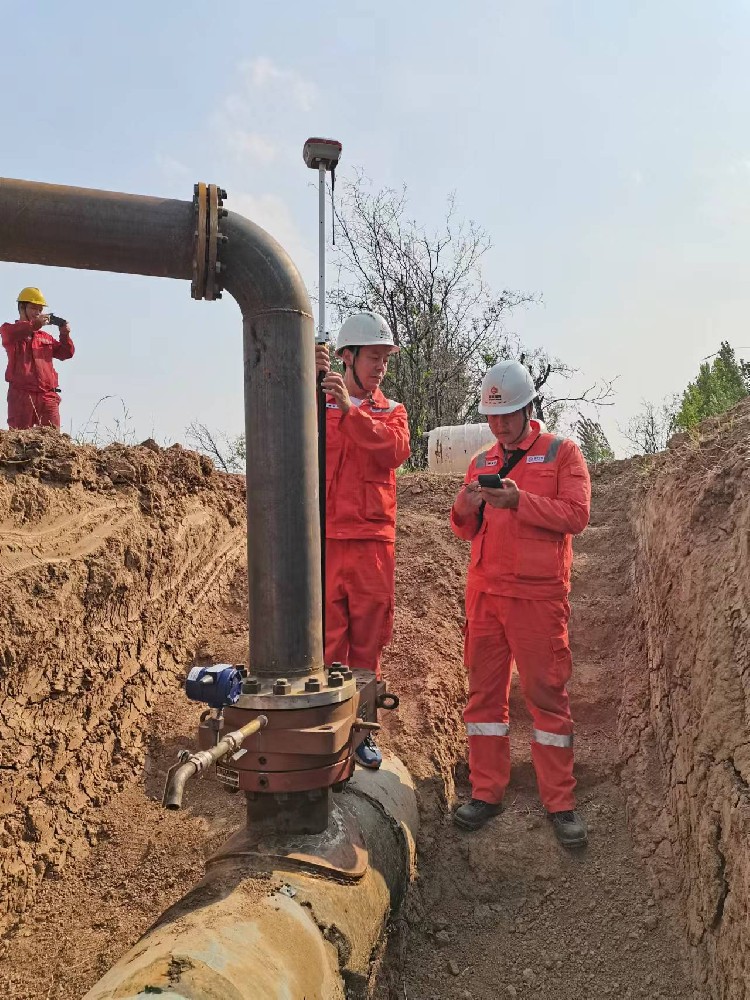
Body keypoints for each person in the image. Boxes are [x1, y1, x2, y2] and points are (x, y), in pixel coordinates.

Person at [450, 359, 591, 846]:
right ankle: (486, 792)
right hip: (485, 595)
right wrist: (464, 509)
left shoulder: (562, 453)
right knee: (484, 700)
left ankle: (561, 802)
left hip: (537, 598)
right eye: (493, 416)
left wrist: (520, 503)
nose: (500, 424)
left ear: (529, 407)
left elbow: (577, 515)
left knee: (547, 699)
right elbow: (466, 529)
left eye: (508, 414)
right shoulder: (481, 462)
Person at [315, 311, 410, 769]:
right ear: (347, 357)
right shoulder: (318, 403)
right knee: (329, 643)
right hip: (327, 539)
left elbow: (394, 452)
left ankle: (363, 732)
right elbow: (284, 417)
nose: (380, 368)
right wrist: (303, 374)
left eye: (385, 360)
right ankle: (329, 730)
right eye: (373, 358)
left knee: (368, 645)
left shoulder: (392, 413)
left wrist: (351, 414)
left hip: (373, 543)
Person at [1, 287, 74, 430]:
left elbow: (66, 353)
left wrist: (64, 333)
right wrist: (35, 324)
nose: (38, 312)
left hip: (47, 396)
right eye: (34, 308)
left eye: (40, 309)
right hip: (22, 396)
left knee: (53, 442)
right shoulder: (9, 330)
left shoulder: (45, 337)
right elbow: (11, 334)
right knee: (19, 440)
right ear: (22, 307)